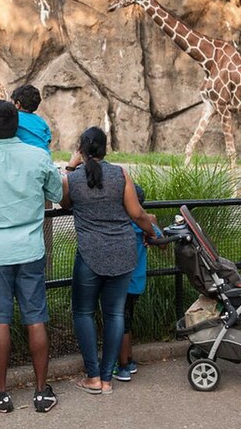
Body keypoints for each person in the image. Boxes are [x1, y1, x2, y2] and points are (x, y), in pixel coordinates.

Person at [0, 100, 64, 413]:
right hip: (31, 250)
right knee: (35, 317)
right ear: (18, 124)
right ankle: (41, 392)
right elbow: (57, 194)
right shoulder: (39, 157)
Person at [61, 127, 160, 394]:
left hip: (90, 254)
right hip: (123, 251)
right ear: (106, 150)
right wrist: (152, 233)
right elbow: (137, 214)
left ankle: (92, 376)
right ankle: (106, 379)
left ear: (81, 150)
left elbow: (64, 203)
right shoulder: (120, 174)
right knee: (115, 313)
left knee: (83, 312)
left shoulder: (74, 179)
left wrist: (71, 167)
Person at [112, 184, 161, 382]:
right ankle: (129, 360)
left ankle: (122, 366)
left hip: (123, 281)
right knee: (127, 320)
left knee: (121, 323)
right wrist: (154, 222)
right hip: (137, 281)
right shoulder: (144, 224)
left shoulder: (122, 224)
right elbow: (162, 241)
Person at [11, 84, 52, 153]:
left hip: (25, 156)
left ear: (18, 104)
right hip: (45, 156)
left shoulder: (14, 118)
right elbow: (48, 138)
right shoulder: (41, 121)